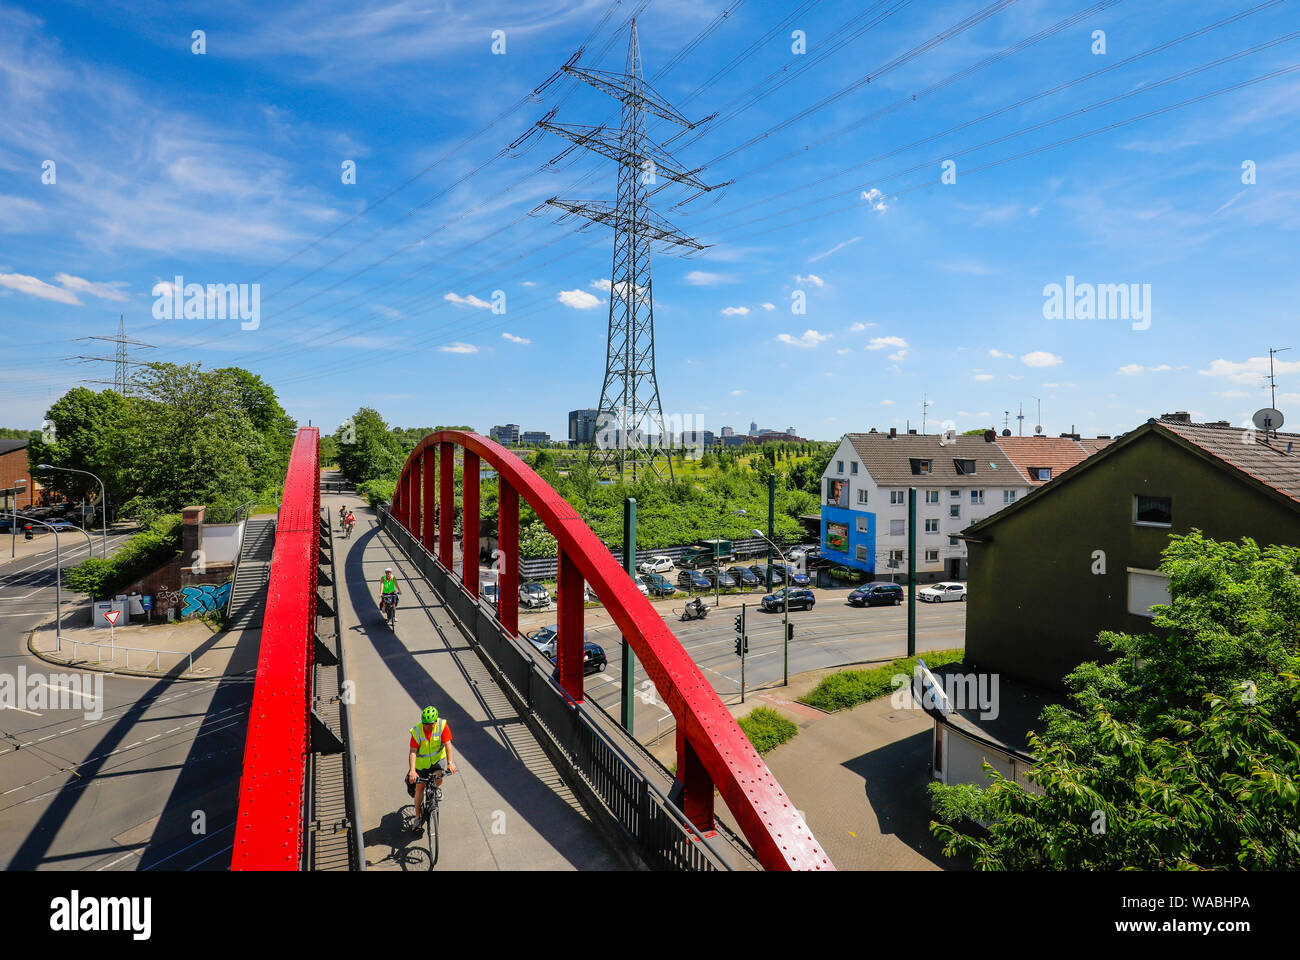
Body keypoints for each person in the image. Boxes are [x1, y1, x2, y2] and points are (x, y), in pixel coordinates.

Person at [407, 705, 456, 832]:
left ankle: (436, 788)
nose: (427, 727)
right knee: (419, 788)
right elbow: (413, 751)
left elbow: (448, 745)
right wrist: (412, 771)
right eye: (425, 724)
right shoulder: (417, 731)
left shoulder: (442, 726)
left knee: (438, 778)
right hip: (421, 764)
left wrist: (450, 762)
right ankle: (418, 818)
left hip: (436, 761)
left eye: (430, 724)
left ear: (435, 722)